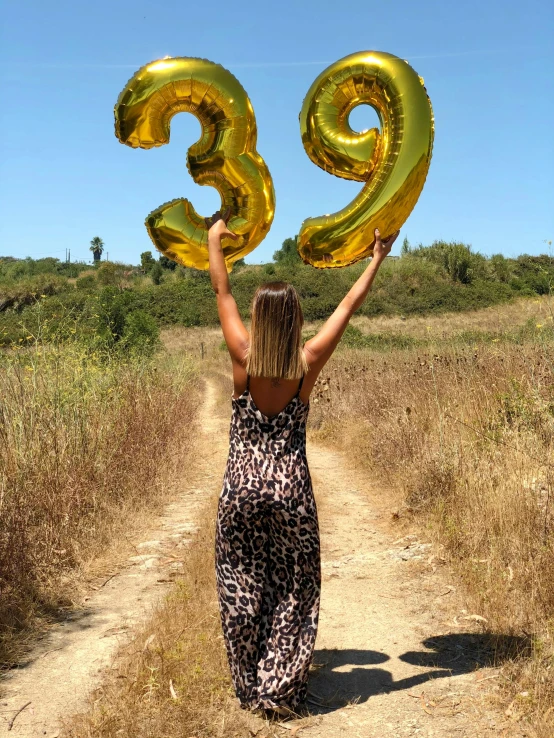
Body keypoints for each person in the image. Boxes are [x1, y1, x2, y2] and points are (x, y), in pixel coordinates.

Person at [207, 210, 399, 717]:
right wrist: (376, 258)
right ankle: (281, 688)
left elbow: (222, 294)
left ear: (259, 318)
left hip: (241, 488)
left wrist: (214, 240)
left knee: (241, 583)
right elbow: (349, 305)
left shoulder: (243, 357)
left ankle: (250, 689)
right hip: (290, 489)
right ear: (293, 319)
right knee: (295, 584)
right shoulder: (306, 363)